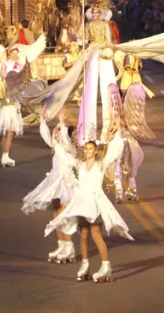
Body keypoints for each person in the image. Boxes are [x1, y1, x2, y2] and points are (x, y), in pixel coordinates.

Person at [45, 118, 132, 283]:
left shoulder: (101, 164)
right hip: (81, 203)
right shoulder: (79, 164)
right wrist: (57, 139)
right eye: (85, 148)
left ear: (95, 151)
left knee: (96, 234)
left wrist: (119, 133)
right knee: (83, 235)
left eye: (90, 149)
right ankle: (85, 265)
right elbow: (65, 156)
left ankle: (106, 266)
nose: (87, 151)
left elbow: (114, 151)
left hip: (95, 203)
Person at [23, 110, 77, 264]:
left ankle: (69, 246)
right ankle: (61, 245)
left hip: (66, 184)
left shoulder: (69, 148)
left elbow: (66, 140)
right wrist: (42, 121)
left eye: (60, 132)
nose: (57, 134)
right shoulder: (56, 145)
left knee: (62, 216)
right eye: (57, 131)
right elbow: (46, 136)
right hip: (55, 183)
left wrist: (61, 122)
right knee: (55, 214)